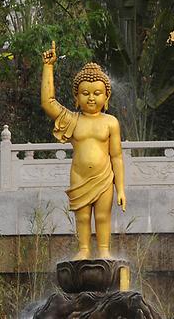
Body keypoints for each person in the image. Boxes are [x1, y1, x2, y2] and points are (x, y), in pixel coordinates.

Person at [41, 41, 126, 260]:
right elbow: (48, 103)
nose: (91, 97)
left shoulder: (111, 122)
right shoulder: (73, 120)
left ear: (106, 97)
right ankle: (85, 249)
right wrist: (48, 67)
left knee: (103, 215)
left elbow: (116, 156)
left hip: (104, 176)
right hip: (80, 176)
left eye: (97, 93)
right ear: (76, 98)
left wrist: (121, 189)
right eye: (85, 93)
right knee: (82, 217)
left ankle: (104, 250)